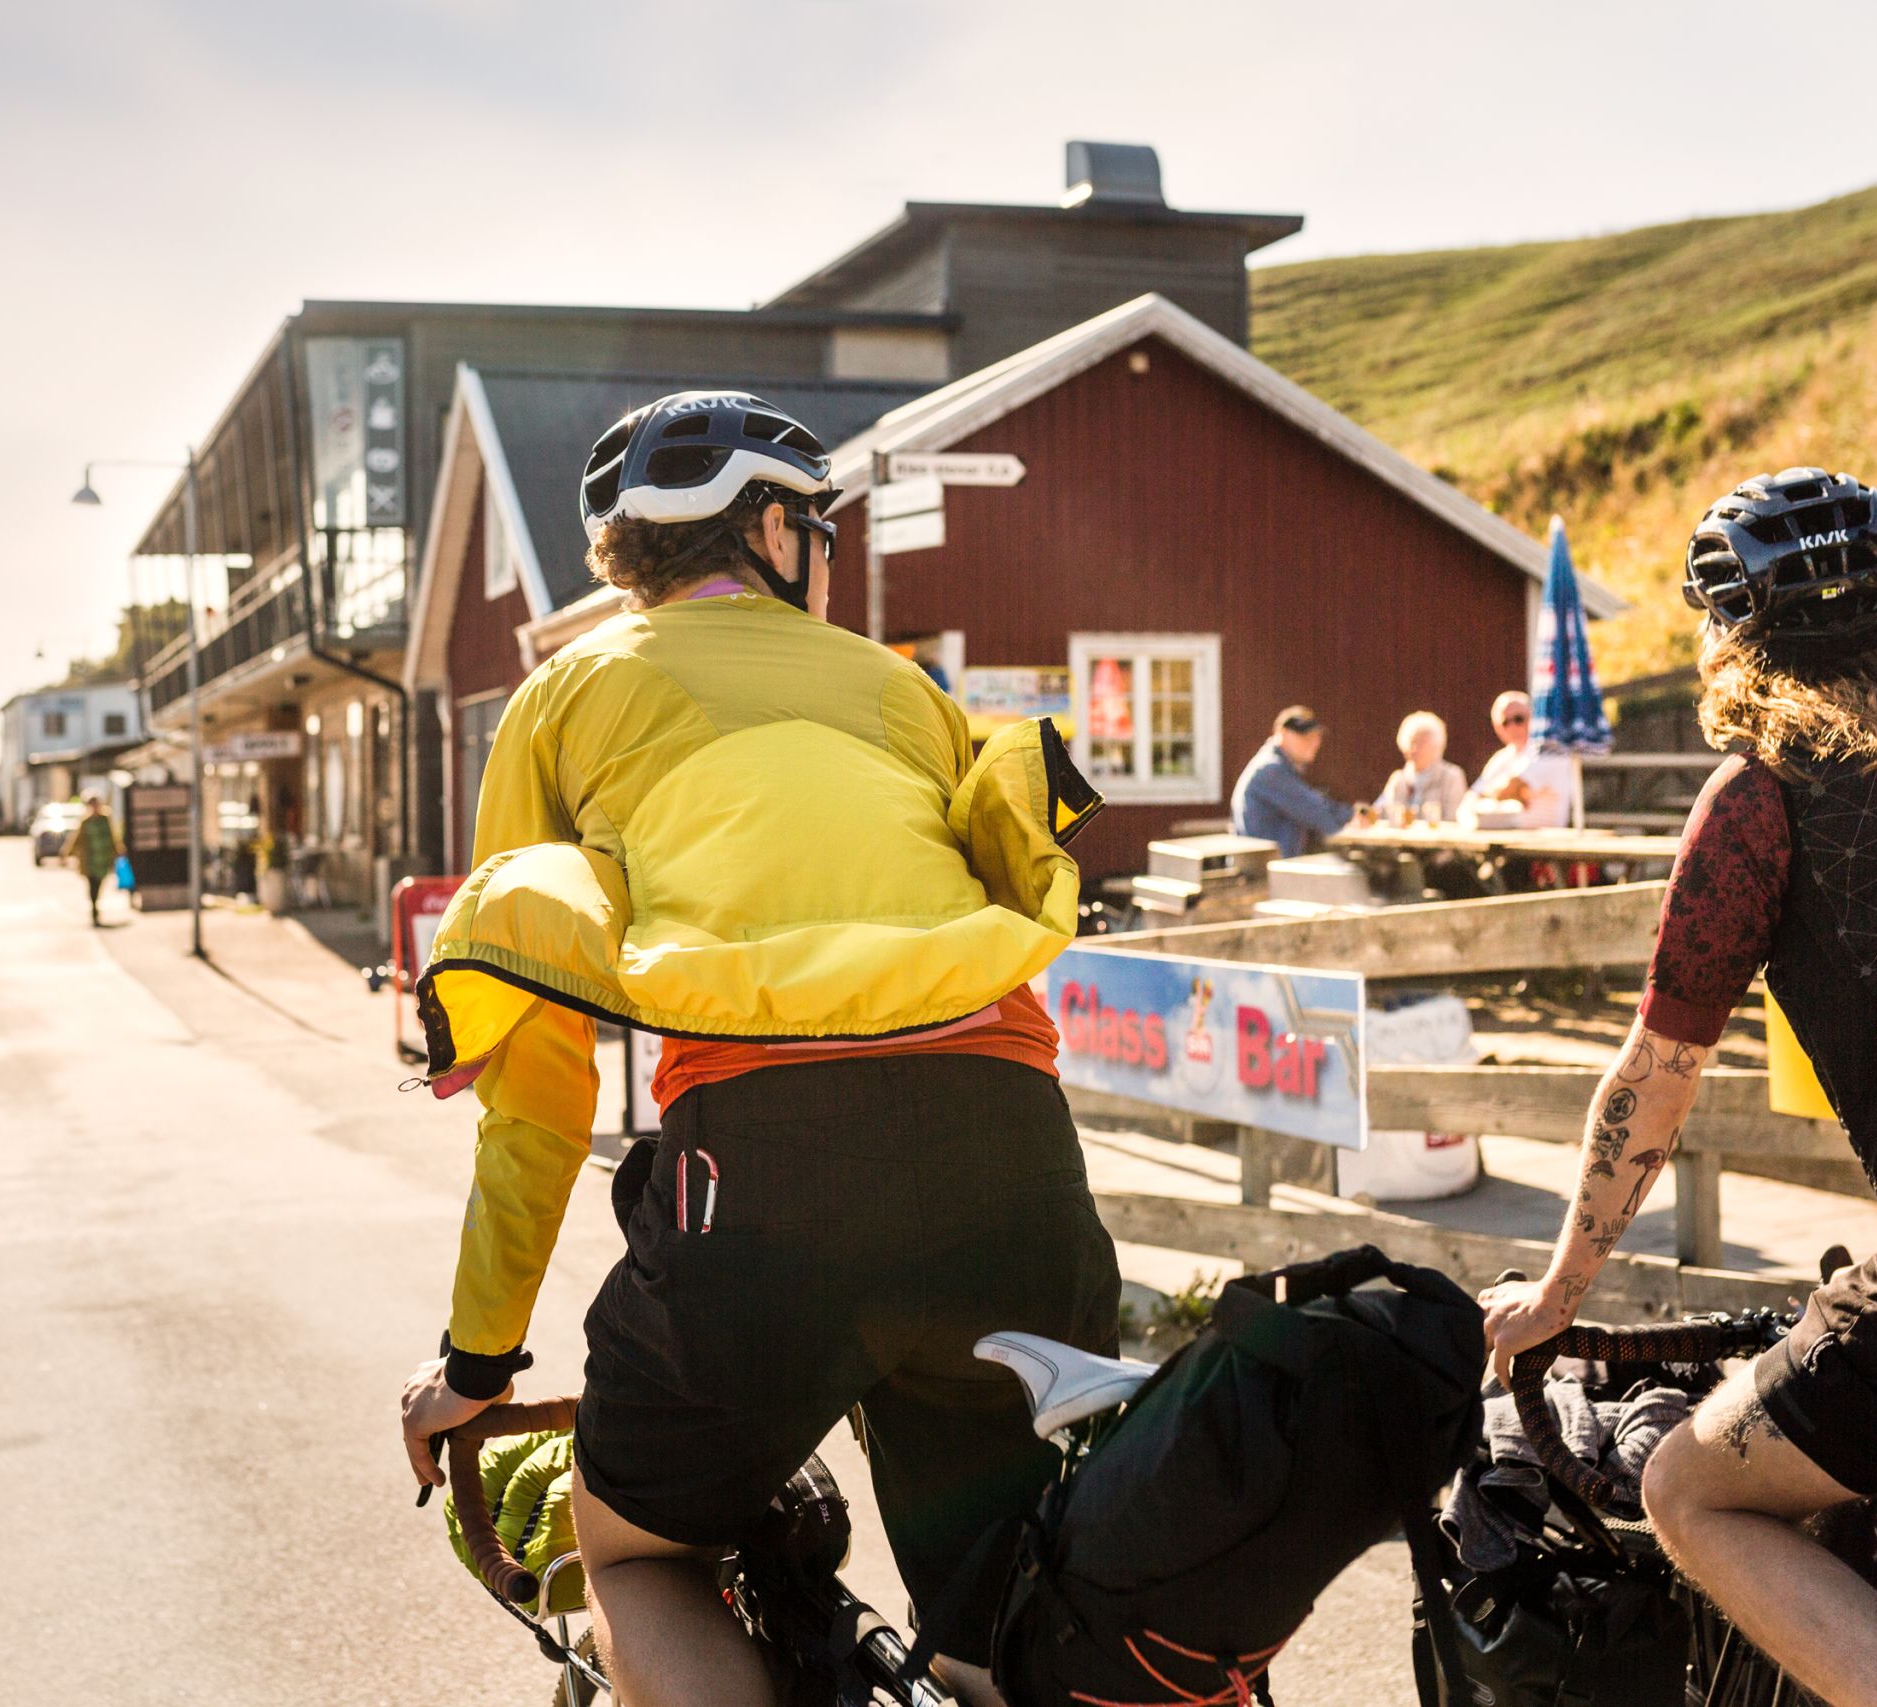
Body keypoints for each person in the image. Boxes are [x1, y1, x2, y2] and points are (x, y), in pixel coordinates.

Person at [396, 391, 1118, 1707]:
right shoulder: (905, 689)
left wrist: (477, 1361)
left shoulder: (563, 698)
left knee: (637, 1556)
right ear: (782, 534)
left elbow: (542, 1078)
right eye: (823, 534)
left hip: (768, 1186)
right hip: (1018, 1165)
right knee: (998, 1626)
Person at [1481, 468, 1877, 1707]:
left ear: (1725, 631)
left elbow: (1655, 1077)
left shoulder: (1762, 798)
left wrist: (1559, 1292)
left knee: (1689, 1492)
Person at [1230, 705, 1371, 855]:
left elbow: (1313, 805)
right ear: (1281, 733)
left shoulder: (1277, 766)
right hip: (1266, 871)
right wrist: (1350, 819)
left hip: (1271, 865)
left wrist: (1349, 816)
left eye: (1316, 736)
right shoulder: (1271, 769)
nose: (1314, 742)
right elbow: (1314, 811)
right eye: (1304, 735)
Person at [1465, 690, 1577, 828]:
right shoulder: (1501, 758)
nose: (1512, 727)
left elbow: (1510, 787)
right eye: (1505, 722)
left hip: (1547, 844)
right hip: (1506, 841)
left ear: (1533, 718)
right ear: (1497, 728)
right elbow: (1467, 803)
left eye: (1519, 719)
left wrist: (1488, 797)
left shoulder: (1550, 751)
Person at [1374, 710, 1469, 824]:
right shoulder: (1398, 779)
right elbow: (1378, 813)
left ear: (1436, 746)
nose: (1414, 749)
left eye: (1421, 743)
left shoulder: (1452, 777)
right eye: (1411, 742)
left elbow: (1455, 820)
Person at [61, 794, 119, 926]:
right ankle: (94, 911)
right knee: (92, 886)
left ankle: (95, 906)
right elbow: (76, 839)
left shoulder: (105, 819)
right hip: (90, 861)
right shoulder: (85, 822)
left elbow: (113, 837)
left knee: (99, 884)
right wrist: (66, 853)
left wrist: (118, 851)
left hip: (103, 859)